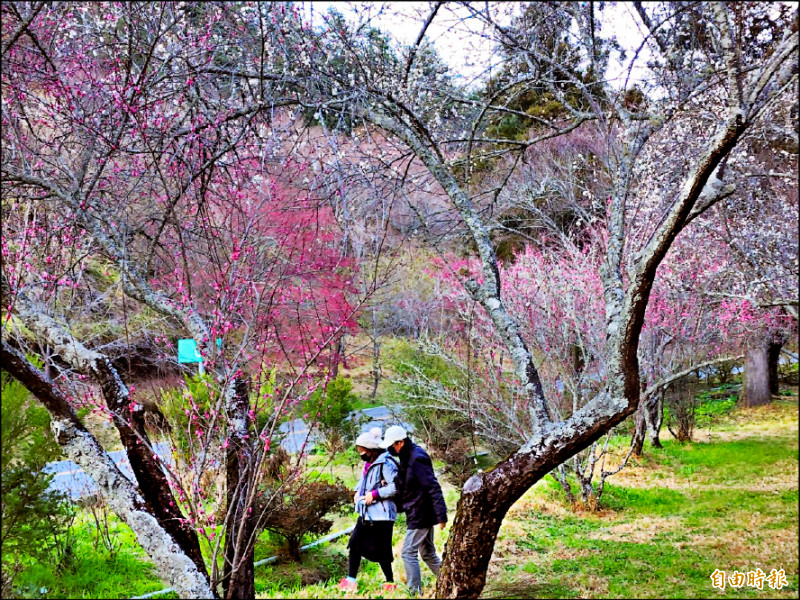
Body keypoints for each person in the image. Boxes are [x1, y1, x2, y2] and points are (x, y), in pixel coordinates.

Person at [381, 425, 447, 596]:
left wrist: (441, 515)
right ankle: (450, 582)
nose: (390, 450)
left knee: (408, 552)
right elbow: (406, 481)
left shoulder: (417, 457)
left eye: (392, 446)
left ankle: (415, 593)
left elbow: (432, 487)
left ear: (400, 442)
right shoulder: (407, 456)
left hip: (421, 513)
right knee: (428, 553)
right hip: (416, 511)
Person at [337, 427, 399, 593]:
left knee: (383, 551)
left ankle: (390, 583)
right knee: (354, 544)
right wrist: (358, 492)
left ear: (371, 450)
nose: (360, 454)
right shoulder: (369, 464)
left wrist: (375, 494)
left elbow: (396, 487)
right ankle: (351, 581)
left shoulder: (386, 463)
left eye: (362, 451)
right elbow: (363, 482)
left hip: (383, 515)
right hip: (366, 513)